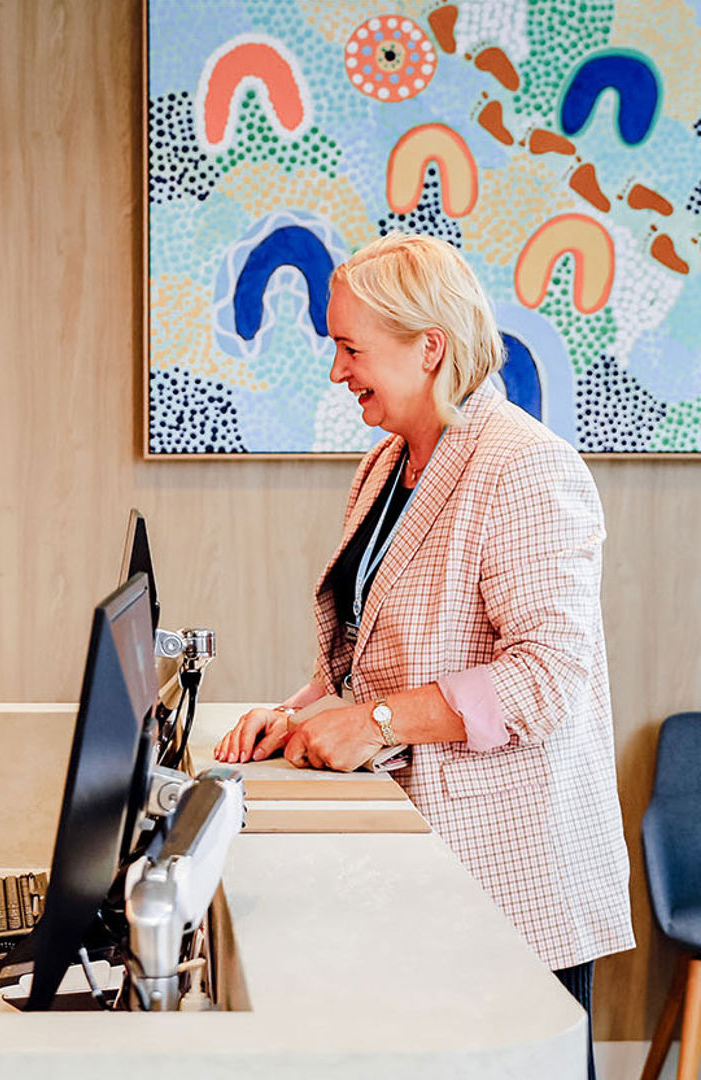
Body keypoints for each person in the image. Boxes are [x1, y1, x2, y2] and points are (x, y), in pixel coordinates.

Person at [214, 233, 631, 1071]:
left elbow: (546, 678)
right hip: (419, 866)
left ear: (428, 345)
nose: (337, 371)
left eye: (350, 347)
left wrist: (373, 721)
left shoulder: (524, 466)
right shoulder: (389, 463)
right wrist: (299, 712)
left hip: (511, 874)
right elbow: (380, 653)